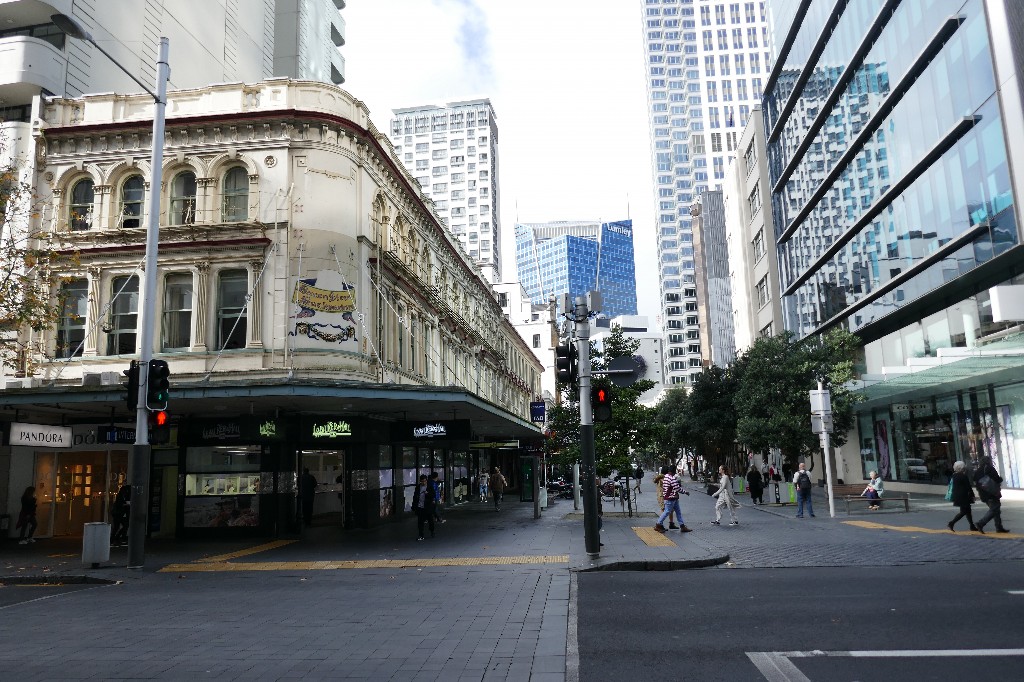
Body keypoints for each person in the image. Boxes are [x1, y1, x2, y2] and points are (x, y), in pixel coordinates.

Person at [974, 455, 1009, 534]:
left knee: (996, 510)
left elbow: (976, 482)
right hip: (991, 492)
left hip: (983, 493)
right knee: (994, 508)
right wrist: (1000, 479)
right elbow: (996, 479)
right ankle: (980, 523)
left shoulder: (978, 471)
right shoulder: (990, 468)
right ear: (988, 461)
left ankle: (999, 527)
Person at [654, 465, 692, 533]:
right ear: (674, 471)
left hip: (672, 497)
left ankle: (682, 526)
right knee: (667, 511)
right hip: (670, 498)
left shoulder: (666, 477)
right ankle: (658, 524)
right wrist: (685, 492)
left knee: (677, 511)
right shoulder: (672, 478)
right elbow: (677, 488)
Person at [947, 461, 978, 532]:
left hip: (957, 496)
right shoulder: (963, 476)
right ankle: (951, 523)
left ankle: (972, 525)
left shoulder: (954, 476)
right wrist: (973, 495)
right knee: (964, 511)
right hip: (964, 496)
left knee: (968, 511)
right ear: (962, 468)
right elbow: (968, 487)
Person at [411, 474, 436, 540]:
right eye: (422, 481)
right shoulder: (418, 487)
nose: (423, 482)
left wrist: (428, 494)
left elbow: (433, 495)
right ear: (420, 481)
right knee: (420, 522)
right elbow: (415, 497)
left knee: (430, 520)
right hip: (420, 507)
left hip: (427, 507)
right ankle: (421, 535)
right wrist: (414, 506)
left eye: (425, 481)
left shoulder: (429, 487)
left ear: (426, 481)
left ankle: (432, 531)